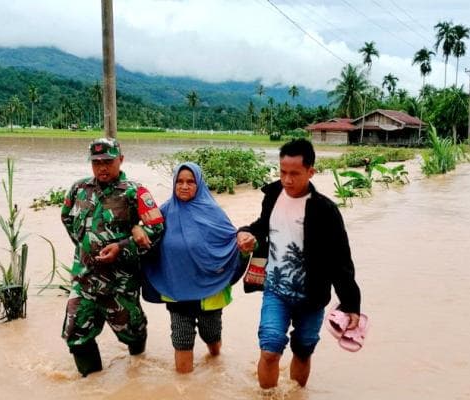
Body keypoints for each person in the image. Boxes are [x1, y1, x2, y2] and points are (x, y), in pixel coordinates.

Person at [236, 138, 362, 389]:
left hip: (312, 296)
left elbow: (340, 260)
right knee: (270, 349)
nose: (287, 180)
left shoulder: (325, 210)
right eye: (283, 172)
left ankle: (295, 394)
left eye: (295, 173)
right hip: (276, 290)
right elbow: (262, 226)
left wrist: (351, 304)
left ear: (311, 171)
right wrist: (246, 233)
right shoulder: (272, 195)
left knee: (303, 351)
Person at [60, 138, 164, 377]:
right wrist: (85, 247)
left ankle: (137, 364)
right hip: (84, 279)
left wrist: (123, 246)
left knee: (132, 332)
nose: (102, 168)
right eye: (96, 163)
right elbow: (67, 218)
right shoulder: (79, 189)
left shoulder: (135, 191)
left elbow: (156, 228)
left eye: (108, 161)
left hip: (119, 283)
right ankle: (91, 383)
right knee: (76, 335)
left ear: (121, 160)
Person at [142, 162, 240, 373]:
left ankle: (216, 362)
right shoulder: (163, 213)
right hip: (176, 291)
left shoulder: (214, 212)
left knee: (211, 335)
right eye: (179, 181)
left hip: (210, 291)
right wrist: (134, 229)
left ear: (199, 184)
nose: (184, 186)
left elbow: (231, 243)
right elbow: (146, 237)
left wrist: (248, 243)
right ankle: (185, 389)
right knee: (181, 339)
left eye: (190, 182)